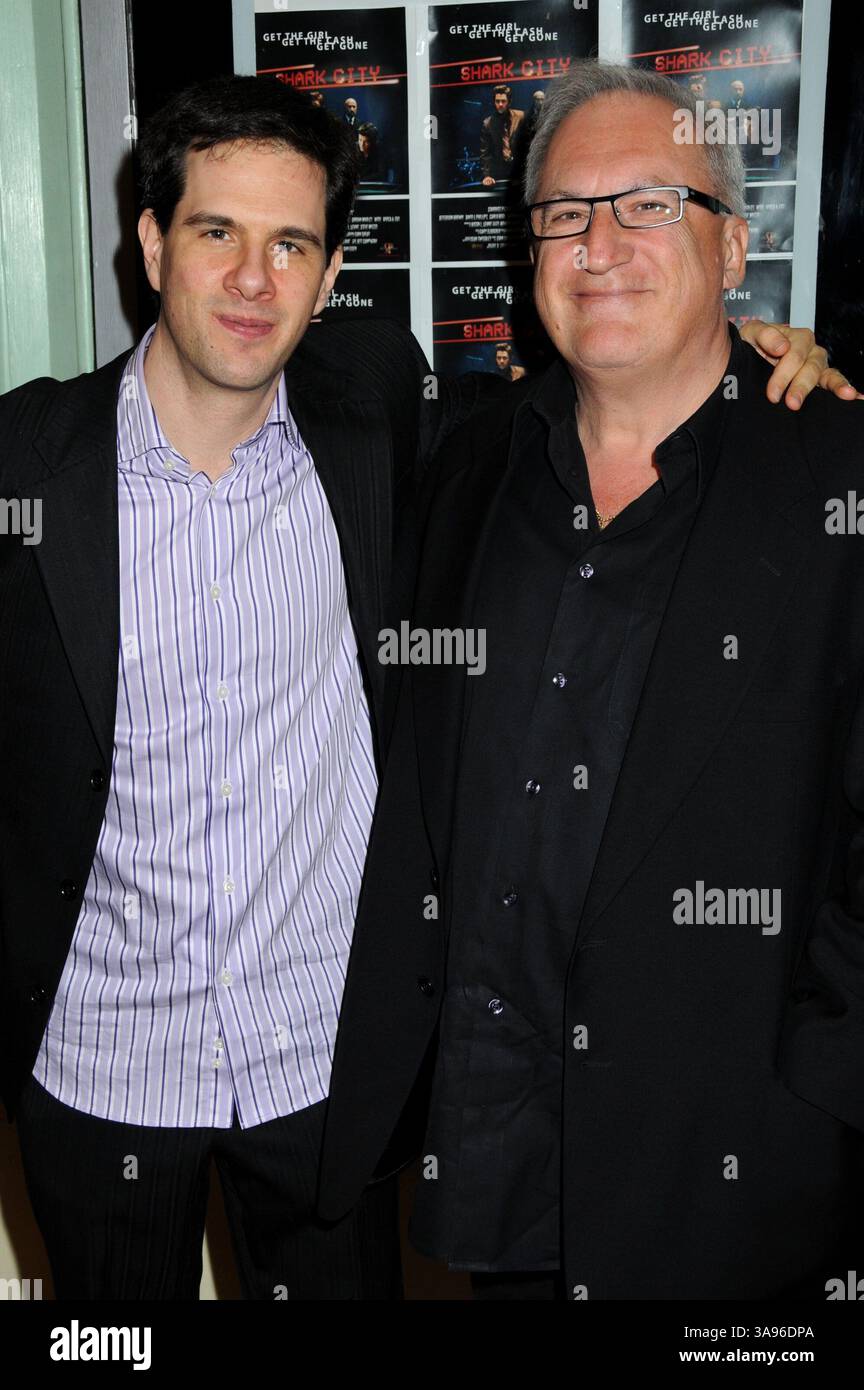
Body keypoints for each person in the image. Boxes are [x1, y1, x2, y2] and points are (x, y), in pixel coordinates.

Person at [0, 70, 850, 1302]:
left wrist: (770, 344)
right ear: (149, 241)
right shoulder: (26, 465)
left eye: (290, 242)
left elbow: (646, 350)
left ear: (333, 270)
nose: (253, 279)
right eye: (216, 233)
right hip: (100, 1073)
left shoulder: (381, 414)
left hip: (332, 1075)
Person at [318, 61, 864, 1301]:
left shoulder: (838, 470)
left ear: (736, 251)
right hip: (499, 1157)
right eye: (565, 212)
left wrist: (820, 1094)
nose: (599, 244)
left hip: (739, 1180)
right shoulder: (462, 462)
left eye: (649, 205)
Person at [480, 85, 525, 186]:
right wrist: (487, 175)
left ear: (509, 102)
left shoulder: (521, 117)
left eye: (503, 101)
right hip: (499, 173)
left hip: (519, 171)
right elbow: (485, 153)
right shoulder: (488, 123)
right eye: (497, 101)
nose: (500, 104)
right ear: (494, 102)